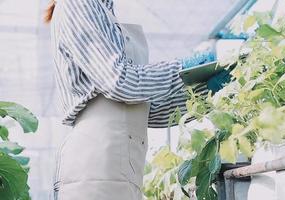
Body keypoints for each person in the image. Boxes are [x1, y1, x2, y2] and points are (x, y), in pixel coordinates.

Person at [46, 0, 230, 199]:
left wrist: (206, 90)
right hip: (97, 162)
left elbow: (148, 110)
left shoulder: (103, 9)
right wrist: (181, 69)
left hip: (119, 165)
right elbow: (119, 81)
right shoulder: (78, 3)